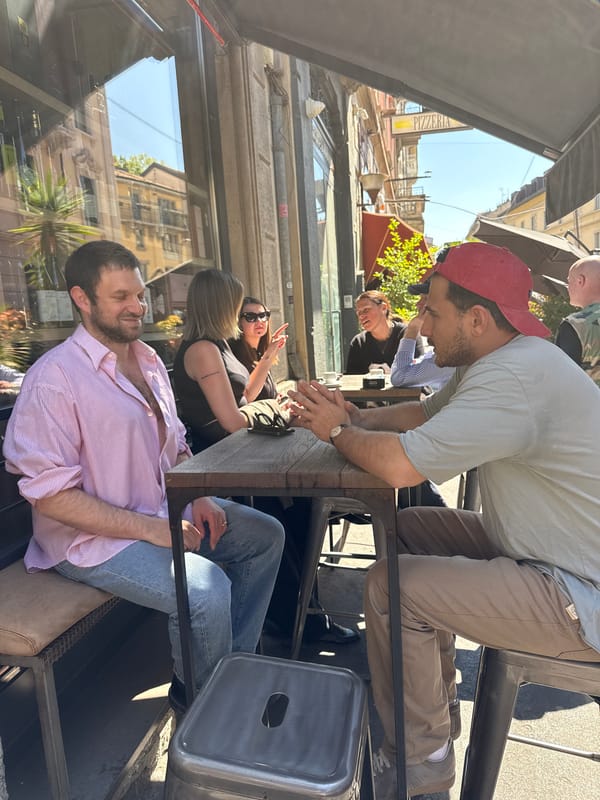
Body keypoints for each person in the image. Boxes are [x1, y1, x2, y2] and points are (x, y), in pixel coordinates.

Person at [288, 241, 600, 799]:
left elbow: (401, 466)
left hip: (581, 592)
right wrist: (358, 414)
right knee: (406, 530)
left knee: (391, 588)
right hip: (547, 553)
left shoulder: (514, 377)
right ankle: (433, 707)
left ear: (476, 318)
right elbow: (423, 413)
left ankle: (420, 766)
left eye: (433, 311)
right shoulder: (504, 356)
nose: (422, 325)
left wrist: (336, 431)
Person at [3, 241, 285, 715]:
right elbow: (49, 496)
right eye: (120, 297)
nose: (137, 306)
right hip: (89, 542)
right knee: (204, 588)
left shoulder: (150, 360)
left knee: (265, 536)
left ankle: (223, 673)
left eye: (139, 294)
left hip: (160, 512)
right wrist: (151, 528)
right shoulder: (54, 379)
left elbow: (172, 443)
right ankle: (207, 710)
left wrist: (199, 496)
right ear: (82, 299)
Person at [172, 274, 359, 645]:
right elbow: (231, 420)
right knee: (289, 513)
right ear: (222, 305)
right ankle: (292, 618)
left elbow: (242, 399)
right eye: (238, 306)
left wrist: (269, 369)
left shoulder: (216, 346)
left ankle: (297, 610)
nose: (244, 316)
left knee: (300, 508)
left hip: (239, 456)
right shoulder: (204, 349)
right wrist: (278, 409)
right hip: (222, 466)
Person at [345, 290, 425, 375]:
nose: (361, 316)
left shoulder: (408, 334)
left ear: (383, 308)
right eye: (358, 312)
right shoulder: (359, 342)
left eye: (366, 310)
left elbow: (419, 372)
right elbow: (351, 378)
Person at [555, 254, 600, 386]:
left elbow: (562, 379)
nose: (567, 287)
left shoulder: (576, 324)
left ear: (581, 281)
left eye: (569, 281)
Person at [390, 302, 455, 392]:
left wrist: (413, 328)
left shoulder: (454, 354)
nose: (417, 304)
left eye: (425, 298)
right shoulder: (450, 347)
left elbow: (399, 377)